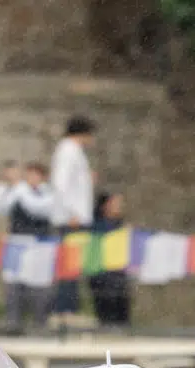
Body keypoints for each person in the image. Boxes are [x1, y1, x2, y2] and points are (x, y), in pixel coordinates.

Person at [0, 161, 56, 330]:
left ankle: (40, 323)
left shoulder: (47, 193)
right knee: (13, 284)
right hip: (16, 243)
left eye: (36, 174)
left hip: (39, 245)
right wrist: (7, 186)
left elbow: (37, 208)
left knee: (39, 286)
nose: (31, 178)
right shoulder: (16, 191)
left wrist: (19, 188)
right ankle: (13, 322)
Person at [50, 115, 96, 315]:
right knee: (69, 266)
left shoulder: (73, 151)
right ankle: (65, 309)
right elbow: (61, 184)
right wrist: (73, 213)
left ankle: (70, 308)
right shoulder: (68, 150)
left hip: (75, 217)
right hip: (72, 219)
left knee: (74, 266)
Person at [88, 191, 131, 327]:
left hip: (120, 278)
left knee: (122, 316)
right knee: (106, 317)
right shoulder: (97, 226)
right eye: (116, 203)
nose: (119, 206)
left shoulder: (120, 224)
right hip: (103, 278)